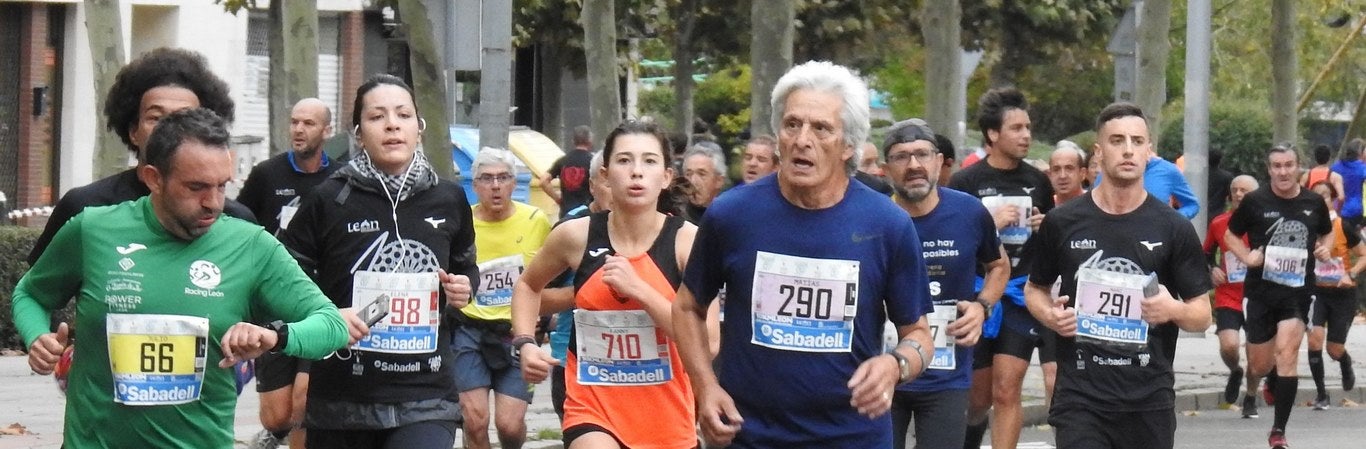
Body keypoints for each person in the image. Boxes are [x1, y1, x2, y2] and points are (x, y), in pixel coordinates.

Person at [12, 108, 356, 448]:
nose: (214, 203)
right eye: (196, 187)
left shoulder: (250, 245)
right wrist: (37, 337)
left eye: (223, 186)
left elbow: (332, 325)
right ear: (153, 178)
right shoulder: (93, 230)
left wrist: (275, 337)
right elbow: (31, 293)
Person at [672, 61, 935, 448]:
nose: (802, 139)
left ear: (849, 146)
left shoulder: (887, 225)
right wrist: (705, 387)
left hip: (853, 436)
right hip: (751, 435)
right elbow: (687, 308)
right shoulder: (732, 214)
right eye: (792, 124)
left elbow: (920, 336)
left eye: (821, 128)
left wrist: (894, 365)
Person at [279, 74, 479, 449]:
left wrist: (464, 289)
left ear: (418, 128)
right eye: (377, 117)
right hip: (343, 394)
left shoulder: (449, 198)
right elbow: (287, 274)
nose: (392, 124)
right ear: (358, 133)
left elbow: (467, 267)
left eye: (403, 115)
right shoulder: (329, 198)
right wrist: (324, 313)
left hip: (425, 394)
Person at [1026, 102, 1213, 449]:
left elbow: (1202, 314)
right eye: (1117, 140)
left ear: (1148, 151)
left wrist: (1172, 310)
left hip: (1148, 398)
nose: (1128, 149)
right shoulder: (1063, 221)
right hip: (1080, 397)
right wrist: (1051, 316)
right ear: (1098, 153)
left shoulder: (1172, 227)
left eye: (1137, 141)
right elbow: (1034, 290)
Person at [512, 121, 699, 448]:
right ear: (605, 174)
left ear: (666, 177)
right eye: (624, 161)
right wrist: (526, 342)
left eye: (649, 161)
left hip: (666, 418)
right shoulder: (575, 235)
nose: (637, 172)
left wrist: (640, 290)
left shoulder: (688, 242)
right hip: (592, 409)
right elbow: (528, 287)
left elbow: (707, 343)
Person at [27, 47, 254, 266]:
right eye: (155, 118)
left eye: (184, 118)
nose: (169, 128)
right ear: (133, 131)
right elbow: (34, 293)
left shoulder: (237, 221)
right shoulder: (85, 208)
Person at [882, 120, 1009, 449]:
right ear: (885, 169)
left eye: (922, 154)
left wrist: (982, 308)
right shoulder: (873, 216)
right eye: (901, 157)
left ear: (939, 161)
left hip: (946, 375)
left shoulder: (969, 212)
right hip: (882, 373)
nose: (914, 166)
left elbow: (998, 266)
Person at [949, 87, 1054, 449]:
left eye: (1028, 127)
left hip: (1019, 294)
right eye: (1016, 128)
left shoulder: (1038, 181)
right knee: (978, 399)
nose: (1026, 135)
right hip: (977, 294)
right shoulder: (965, 182)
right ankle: (970, 437)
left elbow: (1050, 237)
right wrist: (987, 222)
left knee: (1008, 389)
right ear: (993, 134)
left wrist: (1044, 224)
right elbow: (954, 240)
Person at [237, 97, 341, 449]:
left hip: (320, 302)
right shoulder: (267, 175)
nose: (298, 129)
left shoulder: (341, 177)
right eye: (295, 122)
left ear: (327, 130)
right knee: (278, 415)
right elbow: (238, 223)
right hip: (274, 303)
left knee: (304, 399)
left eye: (308, 123)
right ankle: (275, 433)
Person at [1224, 143, 1332, 449]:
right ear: (1269, 169)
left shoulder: (1313, 202)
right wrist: (1247, 257)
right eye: (1277, 166)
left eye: (1288, 165)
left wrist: (1323, 248)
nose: (1283, 172)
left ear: (1298, 167)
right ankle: (1267, 379)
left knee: (1287, 357)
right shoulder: (1255, 201)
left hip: (1298, 293)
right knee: (1259, 364)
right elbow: (1231, 235)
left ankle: (1278, 432)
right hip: (1260, 292)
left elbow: (1326, 232)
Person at [453, 148, 553, 449]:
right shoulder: (461, 223)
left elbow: (550, 277)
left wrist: (544, 320)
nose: (495, 186)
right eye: (486, 178)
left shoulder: (537, 221)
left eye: (503, 178)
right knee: (474, 422)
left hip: (516, 335)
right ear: (473, 185)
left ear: (514, 182)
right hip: (469, 330)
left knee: (509, 426)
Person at [546, 151, 613, 421]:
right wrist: (589, 294)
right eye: (607, 180)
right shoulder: (571, 229)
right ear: (592, 185)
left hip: (639, 367)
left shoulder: (658, 228)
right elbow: (533, 295)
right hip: (575, 360)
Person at [1305, 180, 1363, 410]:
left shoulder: (1343, 226)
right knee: (1314, 339)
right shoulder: (1307, 227)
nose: (1322, 200)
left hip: (1342, 294)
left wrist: (1351, 274)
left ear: (1333, 199)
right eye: (1316, 196)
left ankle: (1345, 362)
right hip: (1317, 292)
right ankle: (1321, 394)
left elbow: (1363, 254)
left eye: (1326, 196)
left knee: (1334, 348)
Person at [1204, 175, 1259, 409]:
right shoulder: (1219, 223)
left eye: (1243, 191)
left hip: (1259, 296)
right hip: (1229, 295)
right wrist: (1212, 268)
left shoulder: (1264, 223)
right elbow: (1205, 253)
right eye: (1235, 190)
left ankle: (1250, 397)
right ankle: (1236, 370)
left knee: (1257, 356)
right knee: (1228, 345)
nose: (1238, 194)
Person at [543, 125, 596, 218]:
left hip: (566, 214)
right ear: (590, 141)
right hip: (586, 215)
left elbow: (543, 181)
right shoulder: (593, 162)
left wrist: (558, 199)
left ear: (573, 141)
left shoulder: (563, 160)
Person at [682, 141, 728, 223]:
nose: (693, 181)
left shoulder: (729, 218)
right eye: (688, 174)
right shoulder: (675, 219)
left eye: (701, 174)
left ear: (719, 180)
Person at [1331, 139, 1366, 230]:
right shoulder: (1362, 168)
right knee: (1354, 241)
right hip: (1355, 211)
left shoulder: (1335, 167)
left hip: (1337, 208)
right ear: (1360, 153)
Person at [1050, 141, 1088, 205]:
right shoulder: (1044, 205)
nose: (1062, 176)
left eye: (1069, 169)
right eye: (1056, 170)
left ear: (1082, 174)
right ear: (1050, 175)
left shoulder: (1097, 204)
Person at [1206, 150, 1235, 224]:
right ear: (1220, 160)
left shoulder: (1199, 176)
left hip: (1199, 215)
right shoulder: (1227, 176)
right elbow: (1231, 196)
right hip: (1218, 214)